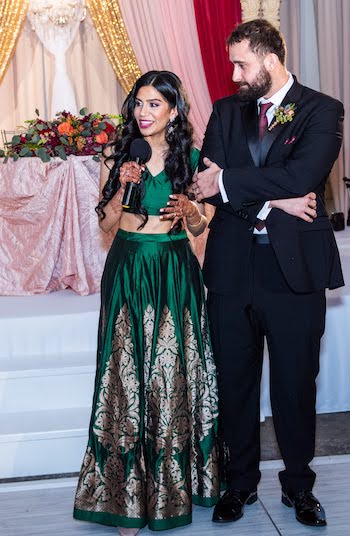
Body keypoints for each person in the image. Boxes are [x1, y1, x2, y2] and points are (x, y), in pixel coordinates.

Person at [193, 19, 344, 527]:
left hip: (293, 271)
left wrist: (234, 183)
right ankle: (240, 486)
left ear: (271, 58)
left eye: (242, 63)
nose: (234, 74)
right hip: (233, 269)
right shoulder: (224, 111)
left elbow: (304, 176)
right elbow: (204, 185)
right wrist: (275, 197)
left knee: (295, 385)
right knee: (235, 381)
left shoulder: (322, 109)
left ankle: (299, 487)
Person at [73, 71, 220, 534]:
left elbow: (200, 230)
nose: (143, 112)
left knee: (171, 373)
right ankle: (126, 496)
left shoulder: (192, 162)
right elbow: (106, 224)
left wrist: (192, 212)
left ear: (174, 111)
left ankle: (173, 487)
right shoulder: (118, 159)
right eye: (139, 103)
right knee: (126, 373)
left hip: (174, 270)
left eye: (155, 104)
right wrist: (122, 186)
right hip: (128, 269)